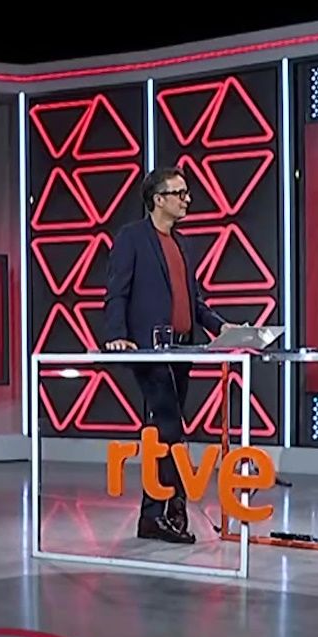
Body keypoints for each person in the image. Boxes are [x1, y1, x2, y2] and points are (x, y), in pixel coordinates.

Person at [101, 168, 230, 544]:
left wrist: (221, 327)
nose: (187, 199)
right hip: (149, 349)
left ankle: (156, 514)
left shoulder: (183, 244)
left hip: (183, 348)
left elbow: (194, 300)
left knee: (165, 431)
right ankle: (167, 510)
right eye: (179, 193)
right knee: (169, 427)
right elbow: (117, 291)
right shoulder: (132, 238)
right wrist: (117, 336)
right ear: (158, 199)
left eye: (186, 193)